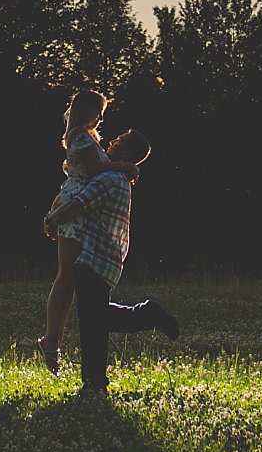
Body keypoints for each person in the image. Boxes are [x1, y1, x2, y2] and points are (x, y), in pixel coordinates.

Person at [41, 129, 179, 393]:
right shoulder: (120, 176)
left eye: (119, 141)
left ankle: (146, 314)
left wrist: (51, 220)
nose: (113, 141)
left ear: (126, 153)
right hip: (105, 259)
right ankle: (95, 383)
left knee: (95, 320)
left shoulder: (111, 178)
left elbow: (81, 202)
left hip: (94, 257)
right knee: (95, 321)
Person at [34, 90, 137, 373]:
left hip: (84, 209)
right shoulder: (79, 135)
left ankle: (56, 340)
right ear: (86, 110)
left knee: (74, 278)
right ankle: (51, 339)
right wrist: (127, 167)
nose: (102, 118)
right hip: (76, 206)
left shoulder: (89, 137)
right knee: (66, 276)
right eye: (99, 111)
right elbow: (97, 168)